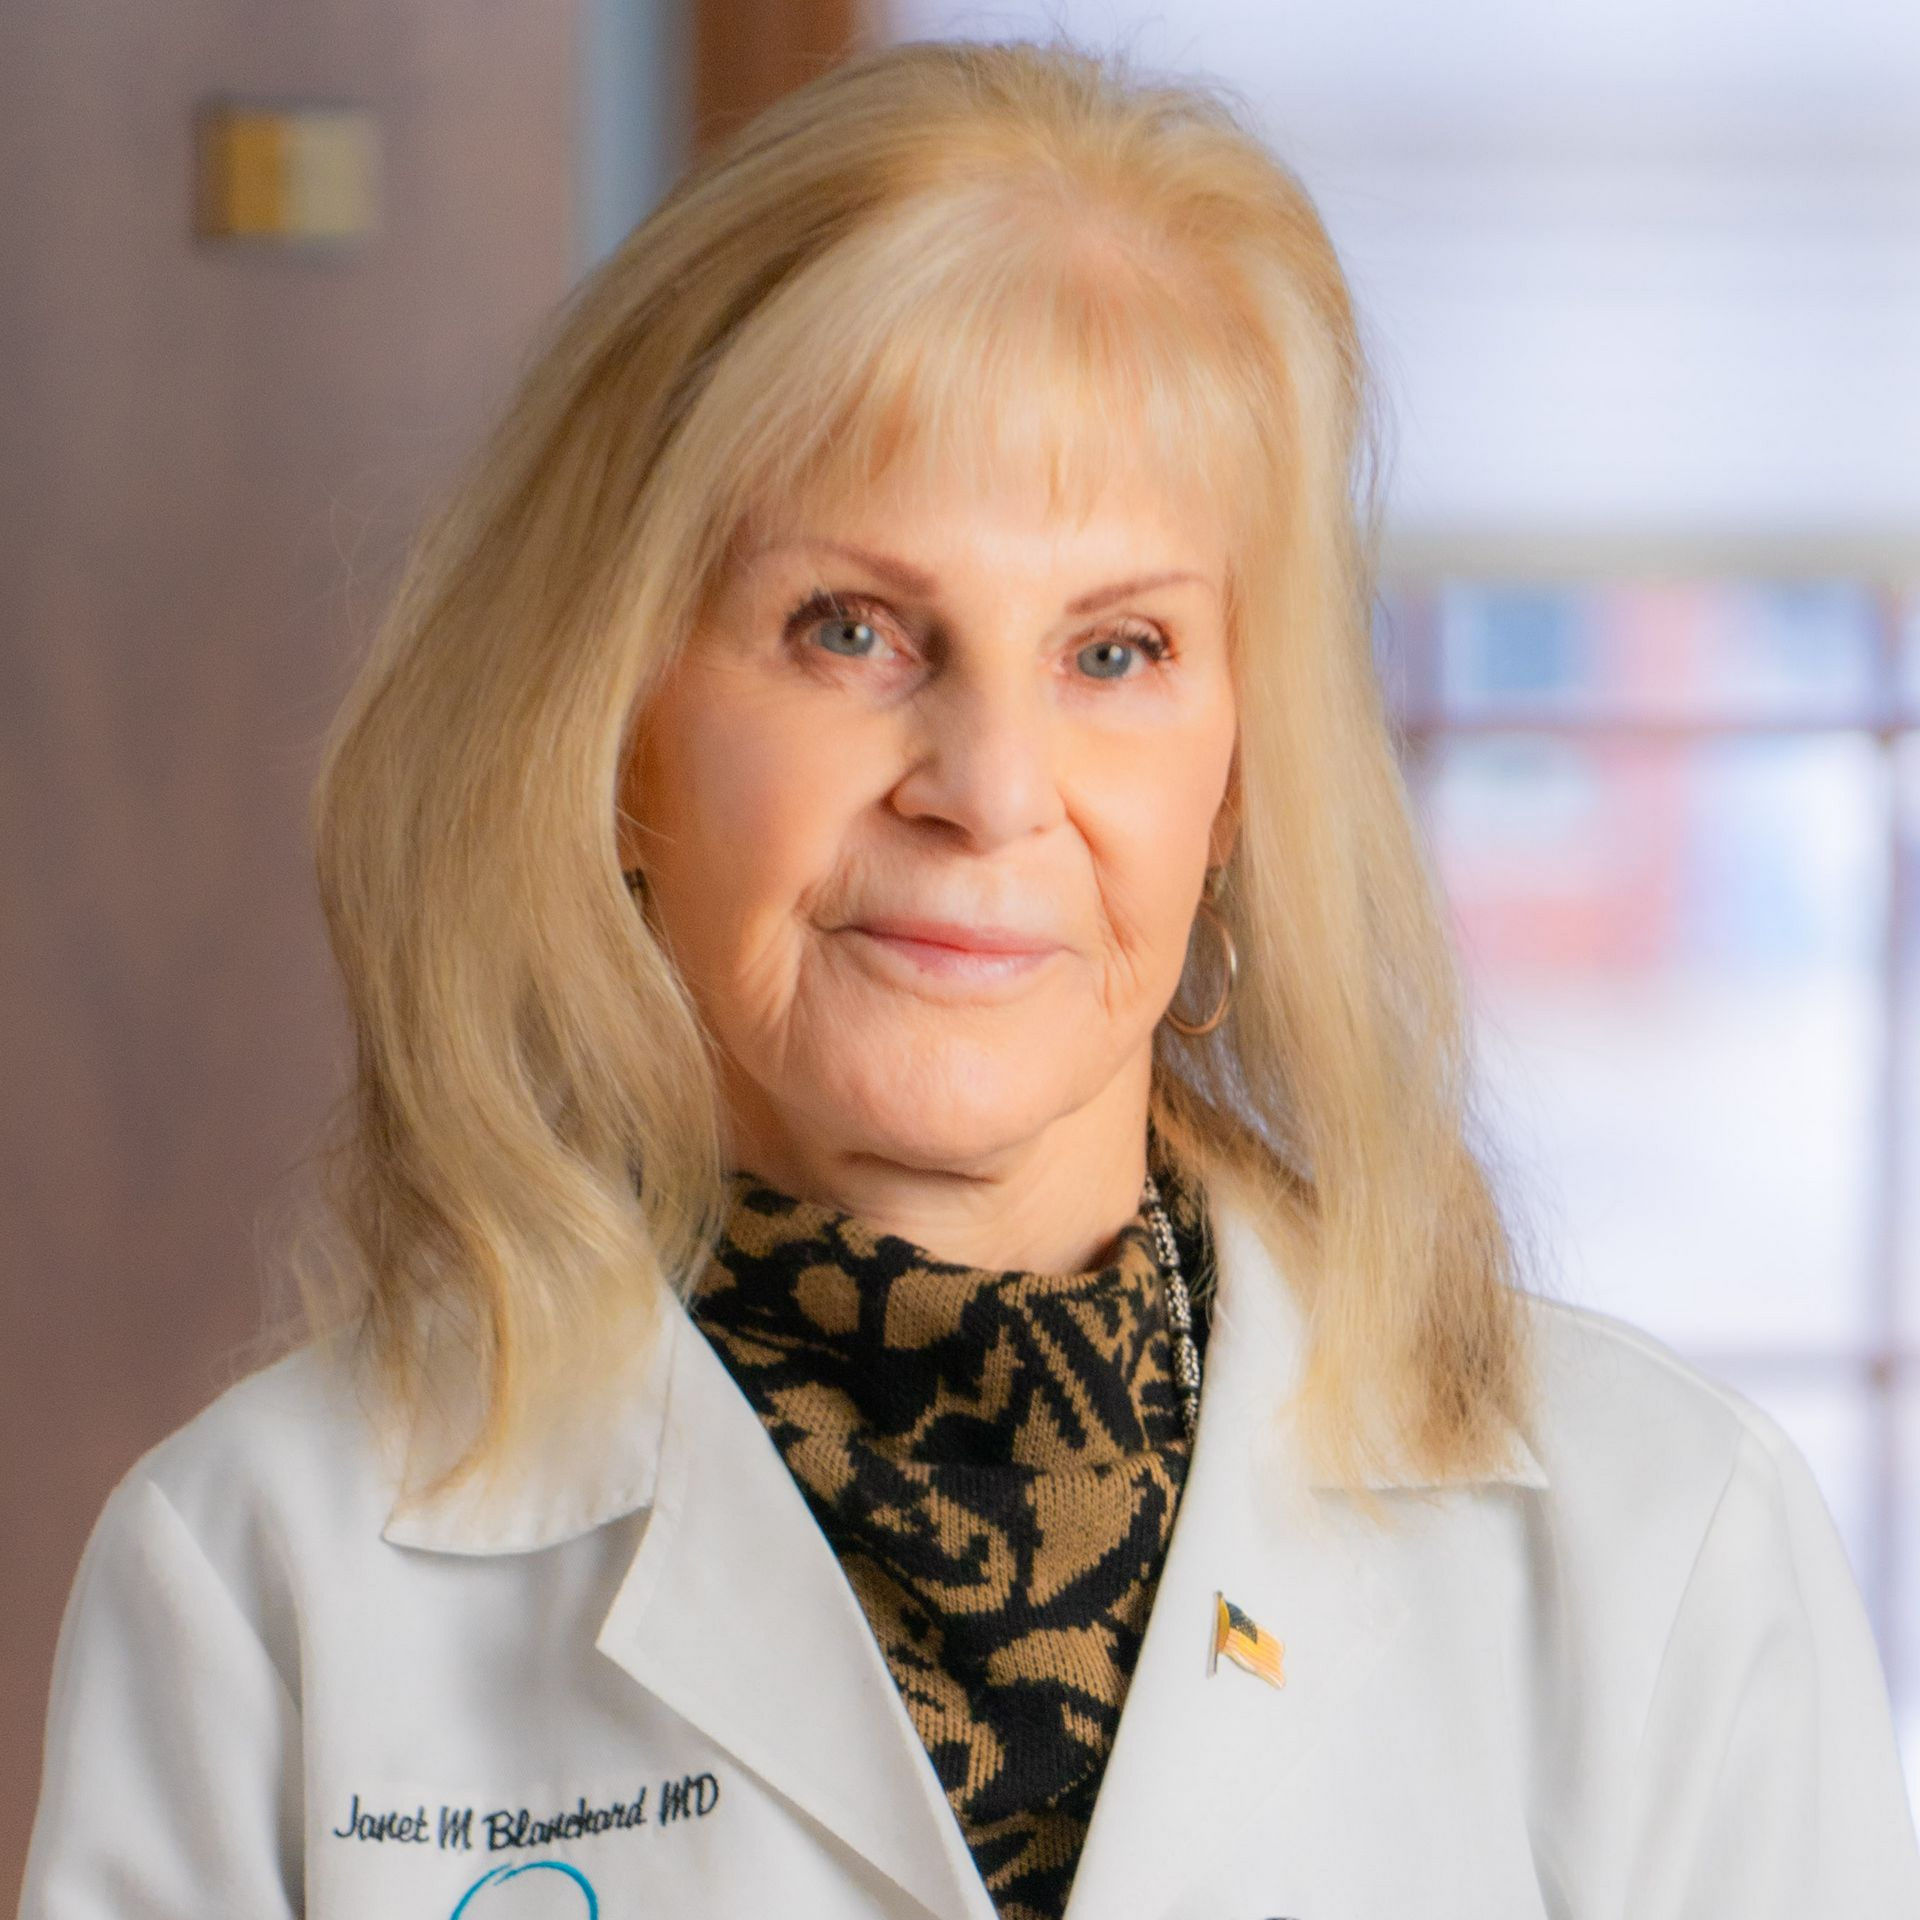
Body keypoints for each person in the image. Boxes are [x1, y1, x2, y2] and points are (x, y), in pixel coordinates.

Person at [20, 35, 1920, 1920]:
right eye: (851, 629)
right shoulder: (263, 1578)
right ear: (611, 727)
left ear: (1242, 774)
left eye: (1118, 654)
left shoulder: (1668, 1554)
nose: (991, 792)